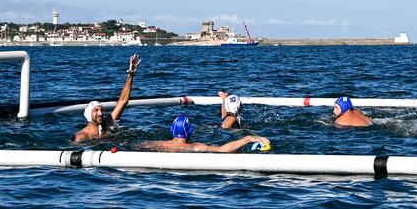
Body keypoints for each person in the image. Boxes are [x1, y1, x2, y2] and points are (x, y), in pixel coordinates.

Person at [73, 54, 140, 142]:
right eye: (96, 110)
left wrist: (131, 76)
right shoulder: (81, 136)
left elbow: (123, 101)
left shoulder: (107, 124)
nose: (100, 113)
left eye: (101, 110)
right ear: (89, 115)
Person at [142, 115, 270, 153]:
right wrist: (247, 139)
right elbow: (222, 150)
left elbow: (137, 146)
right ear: (190, 131)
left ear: (172, 129)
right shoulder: (196, 147)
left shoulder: (158, 144)